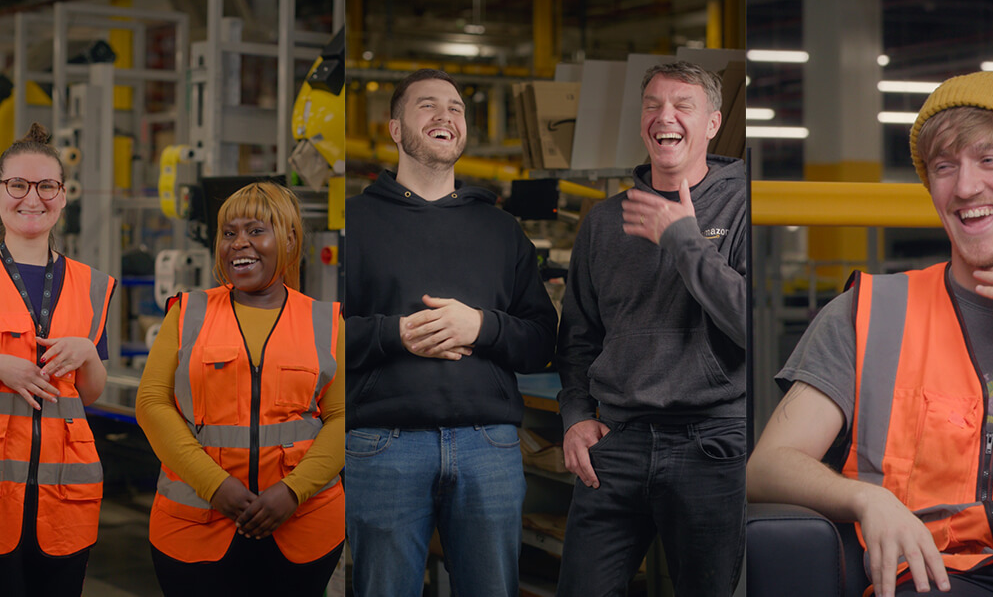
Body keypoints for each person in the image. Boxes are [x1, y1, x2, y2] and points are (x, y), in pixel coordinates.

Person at [747, 71, 993, 597]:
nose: (964, 186)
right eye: (944, 166)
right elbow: (768, 465)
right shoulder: (868, 314)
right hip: (939, 573)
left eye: (989, 159)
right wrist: (870, 501)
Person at [344, 68, 558, 597]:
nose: (446, 116)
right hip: (383, 445)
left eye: (456, 107)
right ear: (395, 129)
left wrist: (481, 326)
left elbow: (542, 341)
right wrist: (397, 335)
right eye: (427, 105)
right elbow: (312, 336)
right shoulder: (353, 223)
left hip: (488, 445)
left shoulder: (501, 230)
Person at [555, 61, 749, 596]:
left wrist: (684, 240)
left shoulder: (744, 209)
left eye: (683, 105)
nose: (666, 116)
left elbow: (748, 324)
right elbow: (577, 337)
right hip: (616, 444)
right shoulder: (602, 222)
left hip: (712, 446)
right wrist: (574, 417)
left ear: (711, 123)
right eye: (653, 105)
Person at [136, 181, 346, 596]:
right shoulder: (187, 313)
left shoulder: (325, 321)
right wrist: (214, 485)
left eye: (255, 231)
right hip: (195, 527)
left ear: (288, 239)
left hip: (301, 526)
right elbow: (152, 404)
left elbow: (344, 417)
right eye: (229, 233)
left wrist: (292, 491)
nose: (239, 244)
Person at [0, 123, 117, 597]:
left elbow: (91, 391)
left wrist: (85, 353)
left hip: (65, 500)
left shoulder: (92, 284)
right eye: (18, 185)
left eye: (47, 186)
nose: (32, 198)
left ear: (63, 198)